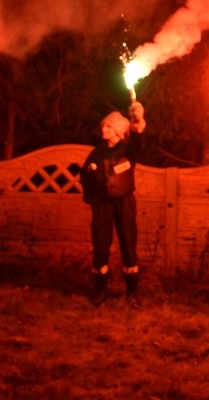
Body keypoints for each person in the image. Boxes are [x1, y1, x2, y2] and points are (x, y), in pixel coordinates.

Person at [80, 101, 146, 307]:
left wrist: (138, 119)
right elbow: (84, 176)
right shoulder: (97, 152)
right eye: (103, 126)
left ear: (118, 131)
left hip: (124, 202)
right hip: (102, 204)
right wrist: (90, 172)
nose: (104, 129)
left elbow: (139, 138)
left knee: (128, 245)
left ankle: (132, 293)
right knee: (100, 246)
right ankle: (100, 290)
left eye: (109, 126)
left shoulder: (128, 149)